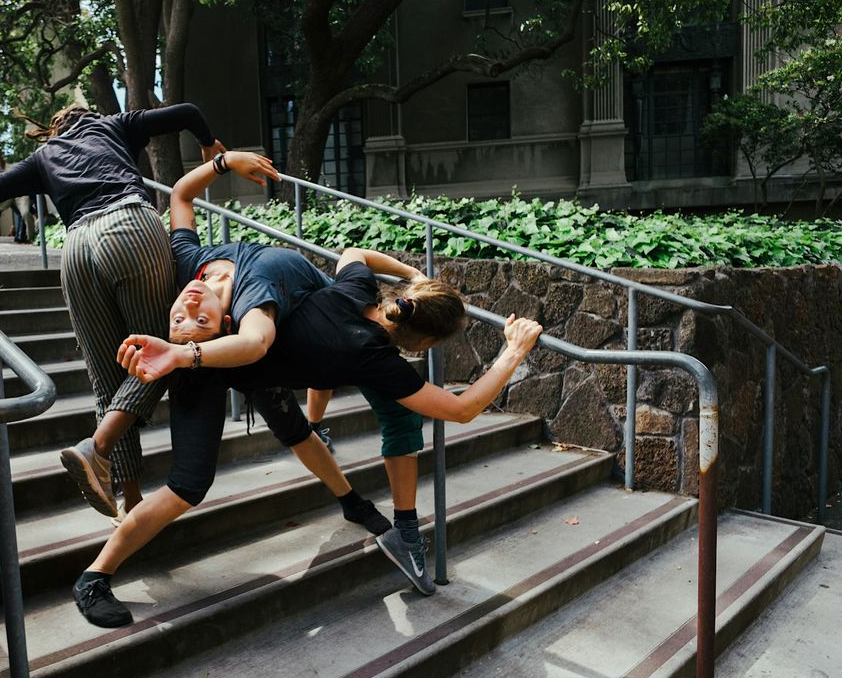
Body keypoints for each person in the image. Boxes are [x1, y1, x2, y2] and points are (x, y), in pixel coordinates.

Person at [72, 249, 542, 628]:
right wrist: (514, 351)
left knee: (299, 432)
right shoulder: (375, 359)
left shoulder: (356, 289)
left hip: (255, 362)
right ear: (424, 343)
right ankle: (94, 577)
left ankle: (352, 503)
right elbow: (461, 409)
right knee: (188, 485)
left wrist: (410, 273)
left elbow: (354, 252)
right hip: (210, 361)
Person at [0, 103, 226, 521]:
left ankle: (129, 497)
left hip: (78, 247)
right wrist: (210, 148)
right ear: (90, 116)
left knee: (108, 376)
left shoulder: (44, 157)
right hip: (130, 228)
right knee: (160, 354)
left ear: (54, 131)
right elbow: (188, 112)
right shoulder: (115, 125)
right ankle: (96, 448)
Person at [67, 149, 390, 533]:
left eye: (183, 318)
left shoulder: (187, 264)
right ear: (223, 324)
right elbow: (255, 343)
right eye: (187, 319)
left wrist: (225, 162)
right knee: (194, 479)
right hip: (225, 365)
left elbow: (181, 195)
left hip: (239, 359)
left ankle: (352, 502)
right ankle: (112, 518)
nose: (188, 304)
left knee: (297, 431)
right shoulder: (251, 299)